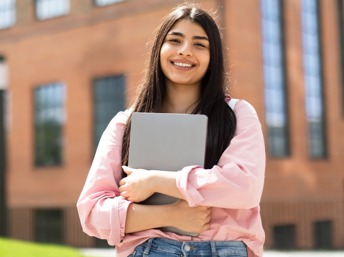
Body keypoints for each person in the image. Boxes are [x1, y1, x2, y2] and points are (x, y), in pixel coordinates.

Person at [77, 3, 265, 257]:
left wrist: (155, 181)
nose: (185, 51)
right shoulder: (125, 124)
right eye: (175, 40)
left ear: (213, 57)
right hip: (149, 250)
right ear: (159, 50)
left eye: (200, 44)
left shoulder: (238, 114)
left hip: (223, 249)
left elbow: (245, 188)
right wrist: (169, 214)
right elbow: (91, 213)